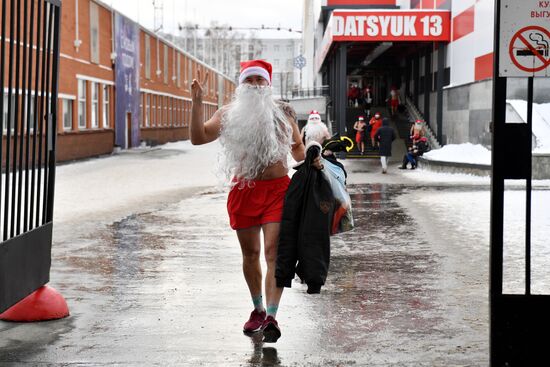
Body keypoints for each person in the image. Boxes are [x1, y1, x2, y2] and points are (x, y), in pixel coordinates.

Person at [190, 59, 321, 343]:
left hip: (277, 192)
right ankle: (258, 310)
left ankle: (273, 315)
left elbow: (297, 149)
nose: (255, 85)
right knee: (250, 255)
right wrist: (197, 102)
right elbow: (198, 138)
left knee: (273, 253)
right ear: (242, 85)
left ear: (268, 84)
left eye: (260, 80)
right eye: (250, 80)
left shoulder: (283, 112)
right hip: (244, 191)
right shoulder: (228, 114)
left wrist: (314, 155)